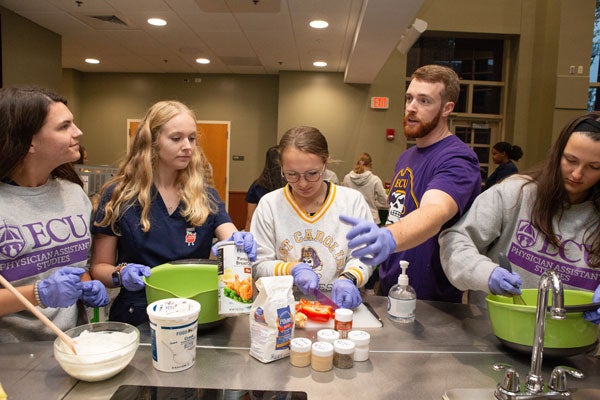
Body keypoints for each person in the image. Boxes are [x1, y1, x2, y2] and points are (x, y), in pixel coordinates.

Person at [90, 100, 256, 326]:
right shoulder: (119, 195)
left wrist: (239, 244)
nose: (188, 146)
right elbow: (99, 268)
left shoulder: (204, 194)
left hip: (199, 313)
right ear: (152, 141)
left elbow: (230, 236)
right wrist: (121, 273)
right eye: (176, 138)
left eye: (192, 138)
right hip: (140, 314)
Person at [439, 113, 600, 324]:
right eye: (570, 160)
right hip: (493, 337)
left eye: (594, 167)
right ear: (557, 154)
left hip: (573, 346)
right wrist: (485, 273)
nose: (577, 174)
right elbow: (455, 240)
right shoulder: (515, 193)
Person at [340, 65, 481, 303]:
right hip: (391, 285)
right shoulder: (407, 156)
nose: (411, 108)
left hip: (431, 299)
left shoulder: (457, 158)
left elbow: (434, 211)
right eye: (409, 98)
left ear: (447, 108)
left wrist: (388, 237)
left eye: (424, 101)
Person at [0, 87, 108, 342]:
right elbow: (45, 287)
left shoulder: (73, 194)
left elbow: (73, 264)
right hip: (13, 358)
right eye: (64, 126)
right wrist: (39, 293)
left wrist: (86, 283)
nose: (78, 132)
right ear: (28, 142)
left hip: (72, 342)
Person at [251, 126, 374, 309]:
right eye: (291, 174)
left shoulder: (351, 202)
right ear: (282, 168)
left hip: (339, 306)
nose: (302, 183)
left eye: (312, 174)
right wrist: (291, 269)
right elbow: (259, 265)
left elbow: (365, 254)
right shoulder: (269, 205)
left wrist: (349, 278)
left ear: (326, 163)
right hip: (282, 308)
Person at [244, 146, 285, 231]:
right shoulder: (292, 184)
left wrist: (248, 235)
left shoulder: (257, 186)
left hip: (263, 231)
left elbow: (250, 218)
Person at [342, 152, 388, 225]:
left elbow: (344, 199)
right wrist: (374, 201)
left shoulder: (347, 178)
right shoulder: (375, 179)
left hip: (352, 219)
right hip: (371, 219)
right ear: (370, 164)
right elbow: (384, 201)